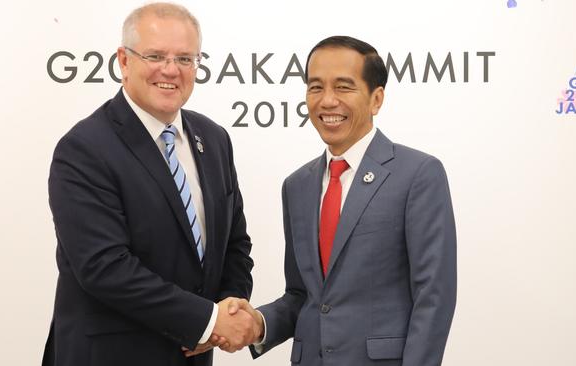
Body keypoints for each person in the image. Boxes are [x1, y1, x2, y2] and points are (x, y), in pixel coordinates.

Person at [41, 3, 257, 366]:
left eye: (186, 59)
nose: (171, 70)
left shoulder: (213, 138)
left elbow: (235, 244)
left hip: (192, 354)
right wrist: (206, 321)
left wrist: (227, 310)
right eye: (155, 55)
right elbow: (104, 267)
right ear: (124, 61)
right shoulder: (85, 148)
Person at [224, 36, 457, 365]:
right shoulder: (297, 185)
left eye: (344, 87)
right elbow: (304, 296)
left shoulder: (418, 174)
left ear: (376, 99)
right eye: (315, 87)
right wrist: (257, 325)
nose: (327, 101)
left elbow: (433, 296)